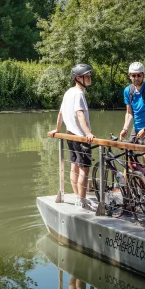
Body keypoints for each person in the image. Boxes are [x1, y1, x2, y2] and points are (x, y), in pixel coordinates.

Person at [49, 64, 95, 208]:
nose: (89, 78)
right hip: (80, 137)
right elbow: (79, 114)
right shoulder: (78, 94)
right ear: (77, 78)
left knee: (75, 166)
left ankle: (77, 196)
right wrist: (88, 133)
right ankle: (82, 200)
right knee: (84, 169)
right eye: (86, 76)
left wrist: (57, 129)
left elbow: (61, 113)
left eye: (89, 75)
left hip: (70, 134)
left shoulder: (68, 92)